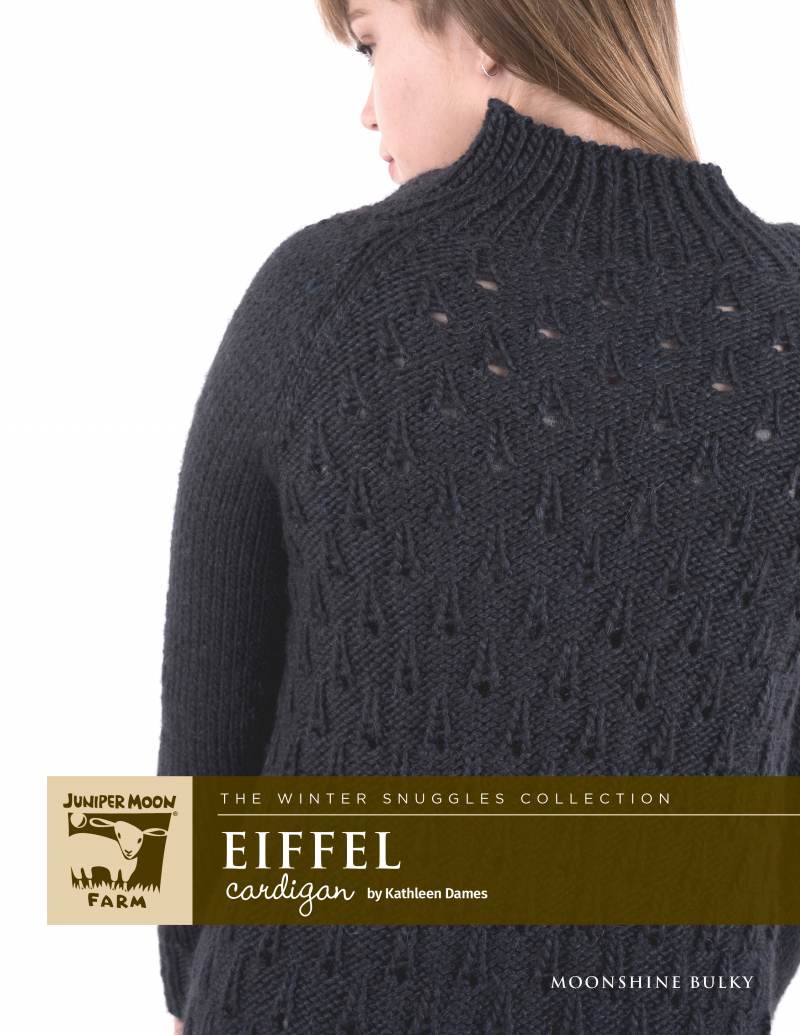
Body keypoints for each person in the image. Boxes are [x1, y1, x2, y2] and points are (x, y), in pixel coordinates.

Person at [157, 1, 800, 1031]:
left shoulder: (327, 292)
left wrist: (203, 994)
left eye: (371, 43)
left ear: (491, 29)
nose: (368, 110)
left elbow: (204, 754)